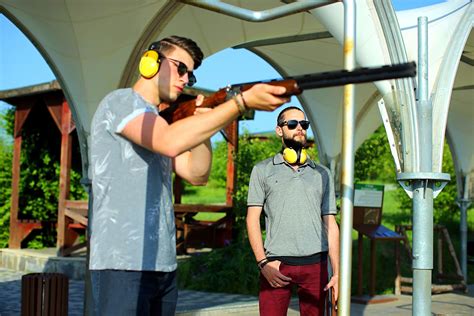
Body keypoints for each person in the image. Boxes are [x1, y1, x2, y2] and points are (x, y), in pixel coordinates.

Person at [89, 35, 289, 315]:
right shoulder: (120, 102)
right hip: (121, 263)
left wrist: (201, 123)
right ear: (150, 63)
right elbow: (168, 141)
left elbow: (197, 174)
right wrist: (239, 104)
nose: (186, 79)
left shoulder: (160, 122)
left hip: (163, 265)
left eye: (191, 75)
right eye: (180, 68)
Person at [246, 106, 340, 315]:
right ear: (279, 130)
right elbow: (252, 220)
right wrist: (263, 263)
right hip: (276, 266)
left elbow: (330, 224)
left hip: (316, 264)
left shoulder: (322, 173)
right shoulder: (262, 170)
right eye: (292, 124)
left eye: (304, 124)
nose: (300, 129)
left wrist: (337, 271)